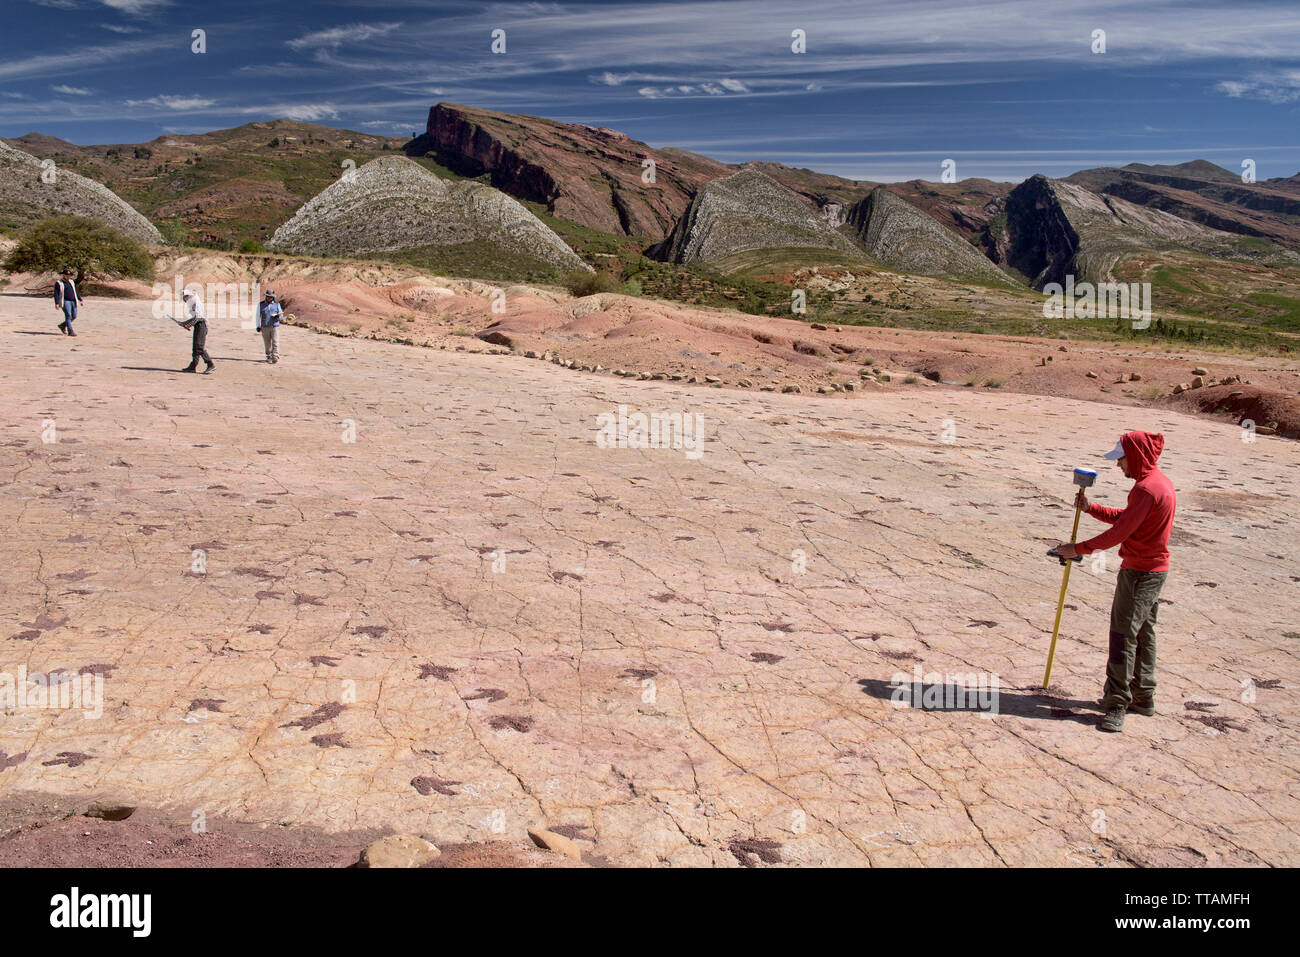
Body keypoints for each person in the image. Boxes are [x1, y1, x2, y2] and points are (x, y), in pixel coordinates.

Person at [1055, 431, 1176, 733]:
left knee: (1123, 634)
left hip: (1140, 574)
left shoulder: (1147, 489)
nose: (1119, 465)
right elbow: (1128, 520)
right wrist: (1092, 508)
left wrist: (1077, 549)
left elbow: (1118, 534)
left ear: (1135, 456)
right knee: (1144, 632)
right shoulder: (1155, 484)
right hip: (1153, 571)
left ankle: (1117, 703)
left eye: (1121, 459)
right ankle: (1143, 696)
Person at [178, 288, 215, 374]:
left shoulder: (195, 303)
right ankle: (193, 366)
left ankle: (210, 364)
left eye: (184, 298)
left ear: (188, 296)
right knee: (195, 347)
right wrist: (184, 323)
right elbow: (195, 318)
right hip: (198, 325)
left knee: (199, 347)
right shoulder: (194, 302)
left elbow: (199, 318)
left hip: (202, 325)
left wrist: (188, 324)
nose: (184, 300)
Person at [256, 289, 283, 364]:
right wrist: (258, 326)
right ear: (266, 296)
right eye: (268, 296)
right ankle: (268, 356)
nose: (269, 298)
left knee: (275, 342)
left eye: (271, 297)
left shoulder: (277, 304)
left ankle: (275, 357)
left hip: (275, 326)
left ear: (273, 297)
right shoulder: (261, 305)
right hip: (265, 327)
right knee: (267, 343)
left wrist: (278, 316)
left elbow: (281, 314)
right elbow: (258, 316)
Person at [53, 269, 83, 336]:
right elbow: (56, 294)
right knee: (68, 315)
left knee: (74, 316)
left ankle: (63, 325)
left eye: (69, 275)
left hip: (73, 300)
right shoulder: (59, 283)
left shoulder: (71, 282)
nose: (68, 277)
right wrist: (57, 303)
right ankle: (70, 331)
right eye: (67, 275)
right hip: (65, 301)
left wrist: (80, 299)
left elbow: (75, 291)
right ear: (63, 275)